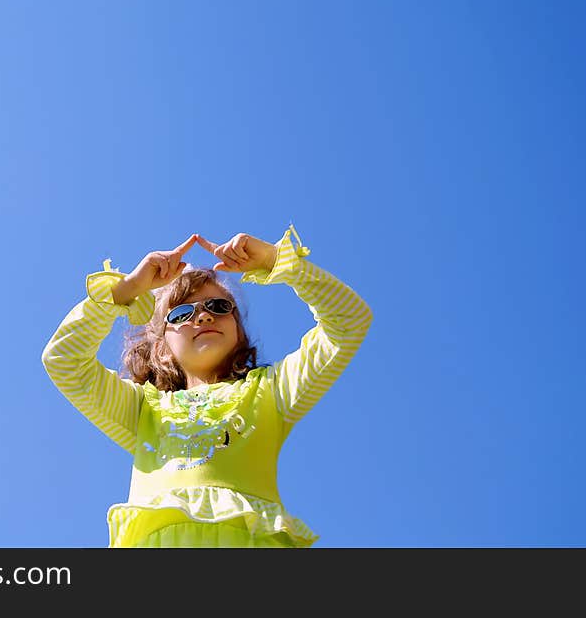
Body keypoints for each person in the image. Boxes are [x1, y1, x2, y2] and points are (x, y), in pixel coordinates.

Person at [42, 224, 373, 547]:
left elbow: (349, 321)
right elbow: (64, 362)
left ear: (239, 332)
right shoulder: (142, 411)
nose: (202, 317)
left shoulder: (271, 391)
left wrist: (276, 261)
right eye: (181, 313)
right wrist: (126, 290)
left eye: (218, 306)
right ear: (160, 346)